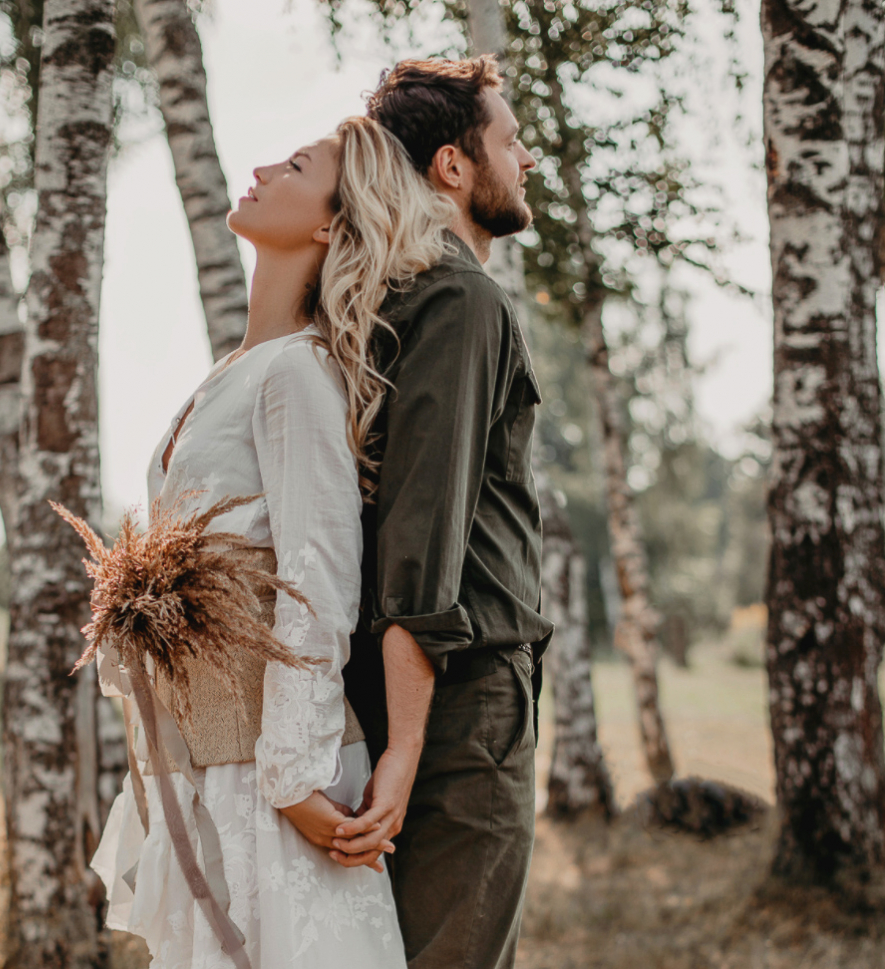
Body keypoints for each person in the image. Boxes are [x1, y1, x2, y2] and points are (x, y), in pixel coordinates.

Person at [90, 115, 455, 968]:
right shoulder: (230, 372)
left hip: (278, 769)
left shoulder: (298, 371)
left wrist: (293, 781)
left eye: (295, 165)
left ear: (331, 225)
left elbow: (317, 582)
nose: (259, 169)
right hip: (212, 762)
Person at [334, 57, 555, 969]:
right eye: (511, 141)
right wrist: (410, 744)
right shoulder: (462, 299)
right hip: (462, 703)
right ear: (454, 166)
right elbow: (420, 542)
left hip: (414, 693)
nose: (528, 159)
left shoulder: (391, 298)